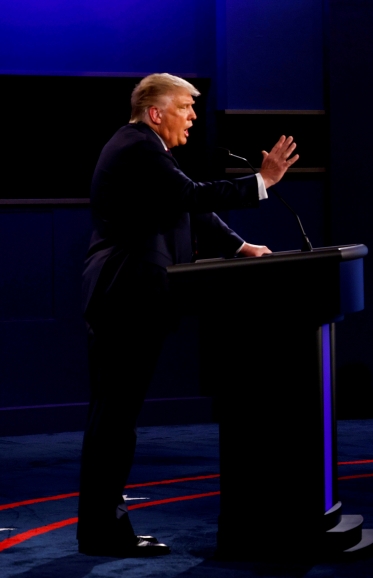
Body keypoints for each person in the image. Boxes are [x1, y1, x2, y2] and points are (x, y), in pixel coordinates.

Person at [78, 73, 299, 557]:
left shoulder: (147, 149)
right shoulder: (138, 147)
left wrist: (240, 246)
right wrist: (262, 181)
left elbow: (189, 210)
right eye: (184, 107)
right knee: (114, 418)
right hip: (125, 295)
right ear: (155, 112)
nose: (193, 116)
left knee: (115, 416)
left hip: (128, 295)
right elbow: (192, 197)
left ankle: (101, 528)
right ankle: (101, 532)